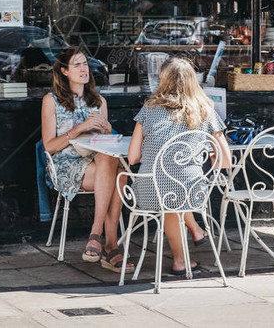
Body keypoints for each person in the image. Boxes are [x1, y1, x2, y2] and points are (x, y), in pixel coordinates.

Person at [127, 57, 232, 275]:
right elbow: (225, 161)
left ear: (162, 80)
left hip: (148, 191)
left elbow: (132, 158)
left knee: (168, 195)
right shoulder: (206, 111)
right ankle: (188, 245)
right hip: (192, 191)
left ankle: (183, 255)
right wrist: (207, 153)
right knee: (174, 194)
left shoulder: (148, 109)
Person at [41, 48, 133, 273]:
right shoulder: (51, 101)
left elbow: (108, 143)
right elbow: (49, 147)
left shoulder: (99, 100)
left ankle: (97, 236)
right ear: (64, 71)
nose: (84, 69)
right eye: (77, 65)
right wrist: (79, 129)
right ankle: (111, 245)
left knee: (113, 165)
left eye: (85, 64)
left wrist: (107, 129)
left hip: (98, 161)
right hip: (65, 164)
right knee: (119, 175)